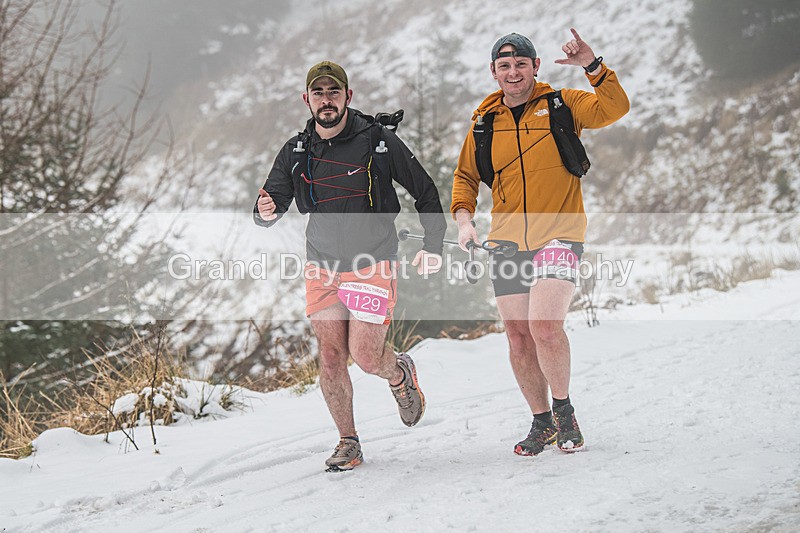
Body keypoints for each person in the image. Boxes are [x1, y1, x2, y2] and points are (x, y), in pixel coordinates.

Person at [254, 61, 446, 471]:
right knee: (329, 356)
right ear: (307, 100)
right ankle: (348, 442)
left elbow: (425, 191)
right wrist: (264, 211)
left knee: (366, 356)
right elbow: (271, 203)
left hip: (371, 261)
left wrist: (433, 244)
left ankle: (399, 374)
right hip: (321, 264)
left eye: (334, 91)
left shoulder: (377, 141)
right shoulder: (296, 149)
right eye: (318, 93)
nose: (327, 99)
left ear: (347, 96)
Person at [451, 30, 629, 456]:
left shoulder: (562, 104)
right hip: (507, 242)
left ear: (535, 67)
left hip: (560, 234)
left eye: (521, 64)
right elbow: (465, 178)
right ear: (493, 71)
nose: (513, 72)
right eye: (505, 65)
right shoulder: (483, 123)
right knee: (517, 337)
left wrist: (593, 66)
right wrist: (464, 221)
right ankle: (541, 421)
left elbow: (615, 107)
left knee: (545, 328)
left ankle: (565, 412)